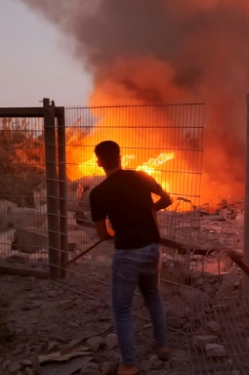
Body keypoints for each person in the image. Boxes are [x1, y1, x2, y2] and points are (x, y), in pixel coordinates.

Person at [89, 141, 172, 375]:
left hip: (127, 254)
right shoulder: (140, 176)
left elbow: (103, 234)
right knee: (153, 297)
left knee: (122, 309)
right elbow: (167, 199)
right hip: (152, 248)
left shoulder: (99, 193)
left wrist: (117, 230)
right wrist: (148, 212)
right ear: (120, 156)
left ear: (99, 162)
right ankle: (162, 345)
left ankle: (128, 364)